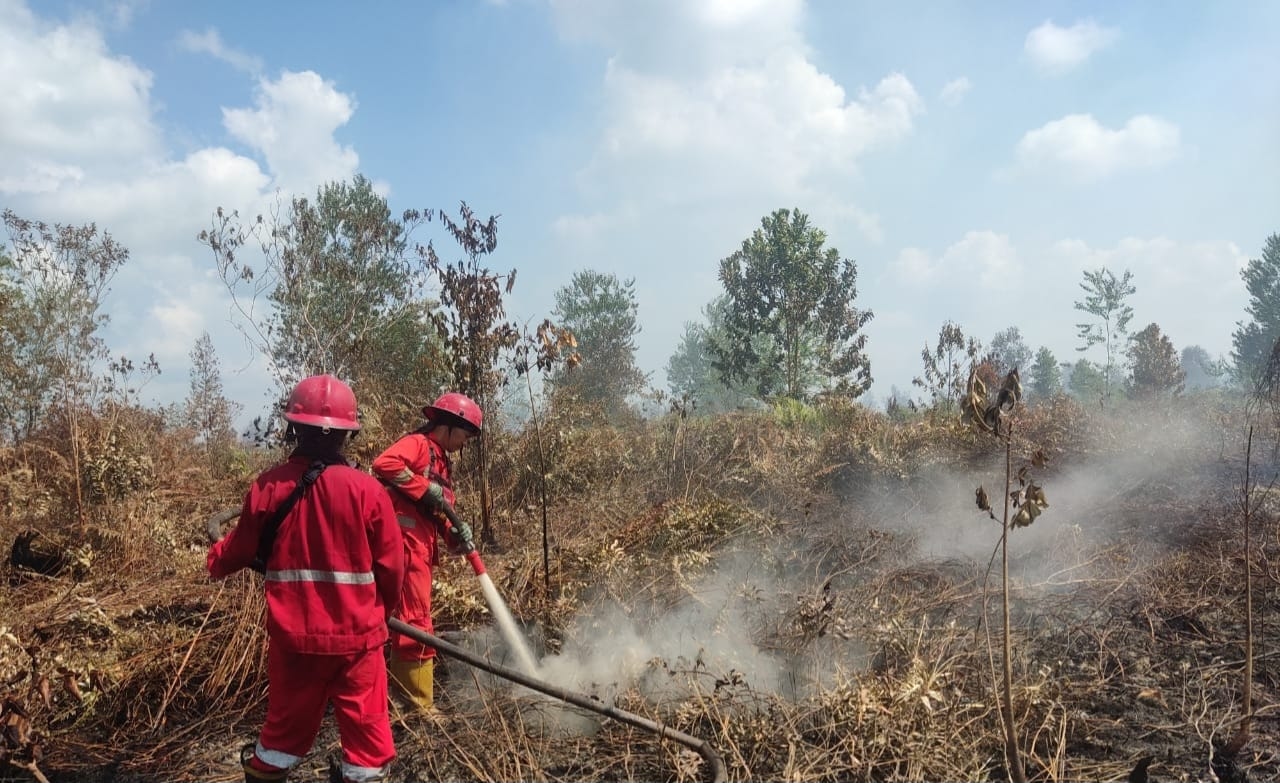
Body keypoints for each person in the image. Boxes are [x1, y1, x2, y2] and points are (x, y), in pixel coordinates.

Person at [207, 375, 404, 783]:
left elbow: (239, 549)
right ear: (347, 434)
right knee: (367, 744)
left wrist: (215, 560)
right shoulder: (369, 491)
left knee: (280, 736)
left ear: (293, 427)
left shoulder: (268, 487)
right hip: (359, 643)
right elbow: (392, 568)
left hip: (294, 641)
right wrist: (384, 611)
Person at [370, 391, 482, 710]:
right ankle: (418, 708)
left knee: (400, 620)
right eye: (465, 435)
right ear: (447, 425)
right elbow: (384, 463)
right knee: (414, 621)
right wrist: (422, 487)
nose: (465, 443)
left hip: (420, 543)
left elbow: (440, 511)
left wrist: (454, 535)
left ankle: (393, 700)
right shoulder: (419, 445)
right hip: (403, 543)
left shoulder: (441, 462)